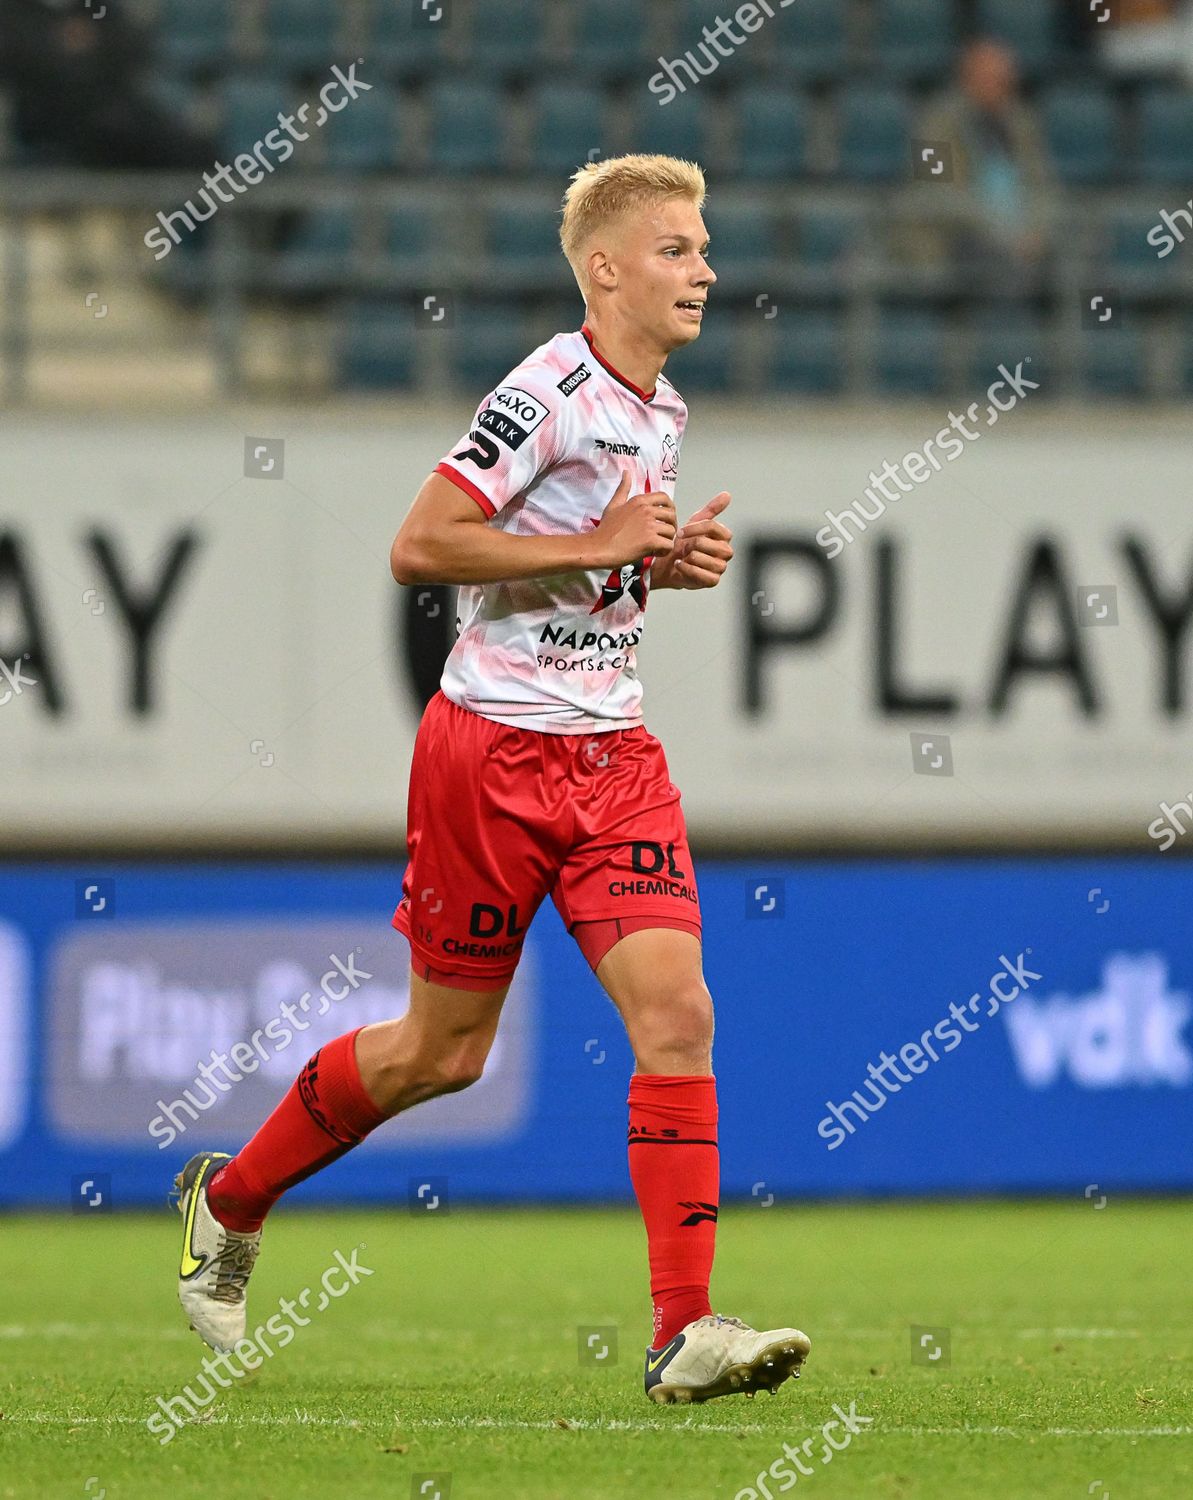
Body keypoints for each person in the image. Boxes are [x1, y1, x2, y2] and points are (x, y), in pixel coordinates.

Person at [172, 154, 811, 1406]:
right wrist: (596, 546)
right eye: (677, 249)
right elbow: (420, 547)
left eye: (704, 246)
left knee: (678, 1014)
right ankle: (230, 1197)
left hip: (613, 758)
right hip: (489, 757)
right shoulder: (547, 390)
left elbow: (583, 569)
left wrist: (651, 567)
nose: (705, 270)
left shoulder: (662, 411)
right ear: (604, 268)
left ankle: (680, 1331)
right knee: (441, 1053)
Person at [912, 38, 1055, 289]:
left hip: (1022, 235)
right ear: (967, 79)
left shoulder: (1022, 124)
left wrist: (1037, 229)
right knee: (995, 263)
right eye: (990, 78)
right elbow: (936, 193)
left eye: (1004, 79)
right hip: (958, 235)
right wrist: (1005, 235)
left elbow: (1042, 185)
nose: (1000, 87)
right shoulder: (933, 125)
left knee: (1079, 254)